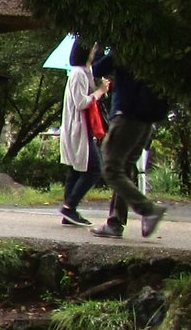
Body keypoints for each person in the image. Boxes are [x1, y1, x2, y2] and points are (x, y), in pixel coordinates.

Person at [90, 48, 168, 239]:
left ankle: (148, 210)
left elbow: (98, 68)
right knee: (123, 169)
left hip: (126, 116)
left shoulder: (125, 48)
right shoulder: (153, 49)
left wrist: (97, 50)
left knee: (111, 169)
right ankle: (115, 223)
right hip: (146, 120)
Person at [58, 37, 104, 228]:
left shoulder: (85, 72)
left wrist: (99, 87)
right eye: (92, 49)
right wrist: (99, 92)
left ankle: (69, 211)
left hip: (83, 127)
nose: (95, 51)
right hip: (77, 128)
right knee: (94, 168)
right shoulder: (77, 73)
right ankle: (69, 207)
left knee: (76, 170)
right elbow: (80, 102)